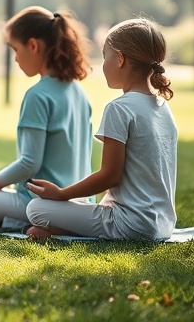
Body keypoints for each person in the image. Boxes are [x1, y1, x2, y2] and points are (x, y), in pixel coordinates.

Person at [24, 18, 177, 241]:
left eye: (106, 56)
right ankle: (65, 230)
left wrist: (61, 194)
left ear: (121, 59)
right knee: (76, 205)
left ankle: (63, 230)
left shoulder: (120, 108)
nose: (103, 64)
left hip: (130, 224)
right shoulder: (162, 107)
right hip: (163, 225)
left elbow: (109, 176)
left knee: (35, 209)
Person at [0, 7, 93, 232]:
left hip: (40, 202)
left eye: (15, 49)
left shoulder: (38, 95)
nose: (15, 58)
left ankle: (31, 224)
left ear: (33, 46)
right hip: (79, 202)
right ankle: (19, 225)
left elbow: (29, 164)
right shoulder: (79, 92)